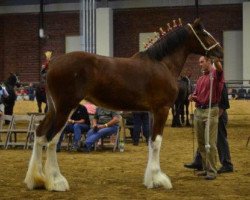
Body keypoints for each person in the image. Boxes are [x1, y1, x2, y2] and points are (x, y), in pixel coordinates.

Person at [188, 56, 224, 180]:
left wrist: (216, 60)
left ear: (209, 61)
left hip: (211, 110)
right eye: (199, 62)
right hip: (199, 110)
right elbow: (197, 95)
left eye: (202, 62)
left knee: (210, 143)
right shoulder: (200, 79)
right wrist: (192, 97)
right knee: (202, 143)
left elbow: (220, 70)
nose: (200, 64)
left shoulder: (215, 74)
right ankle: (206, 168)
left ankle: (212, 171)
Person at [184, 83, 234, 174]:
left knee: (220, 139)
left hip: (219, 114)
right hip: (208, 114)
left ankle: (227, 164)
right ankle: (199, 161)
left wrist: (216, 116)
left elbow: (224, 103)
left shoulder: (220, 83)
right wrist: (193, 97)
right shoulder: (206, 82)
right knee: (204, 138)